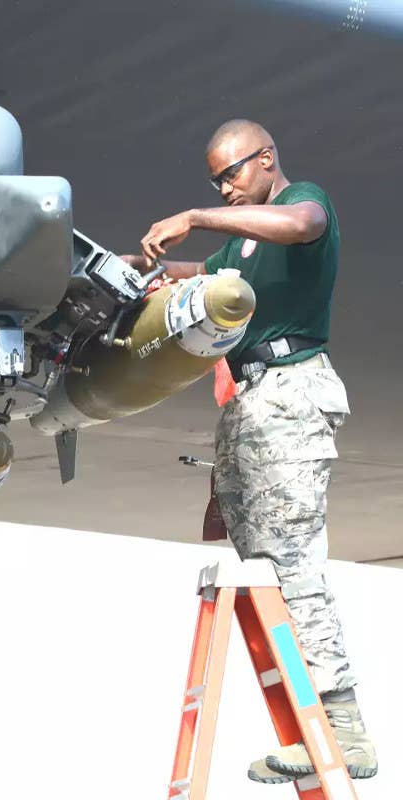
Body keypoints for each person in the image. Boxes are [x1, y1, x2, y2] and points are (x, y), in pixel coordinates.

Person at [120, 119, 377, 784]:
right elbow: (205, 273)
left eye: (233, 173)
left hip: (293, 393)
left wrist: (197, 215)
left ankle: (344, 732)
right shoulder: (243, 235)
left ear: (268, 159)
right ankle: (306, 728)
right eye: (215, 181)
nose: (226, 187)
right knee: (258, 560)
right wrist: (146, 272)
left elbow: (301, 225)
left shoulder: (302, 203)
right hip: (251, 399)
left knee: (293, 558)